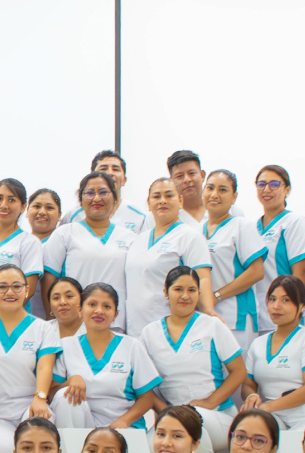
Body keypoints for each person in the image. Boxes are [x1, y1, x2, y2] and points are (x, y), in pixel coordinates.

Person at [138, 266, 244, 453]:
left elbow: (239, 372)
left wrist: (210, 402)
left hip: (217, 416)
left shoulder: (212, 325)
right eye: (178, 289)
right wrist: (166, 411)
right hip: (172, 420)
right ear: (166, 292)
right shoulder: (149, 333)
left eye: (192, 290)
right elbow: (144, 385)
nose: (185, 296)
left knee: (190, 421)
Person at [240, 276, 305, 453]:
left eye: (286, 300)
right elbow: (248, 383)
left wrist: (268, 408)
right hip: (273, 417)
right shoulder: (258, 344)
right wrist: (252, 395)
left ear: (302, 306)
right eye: (272, 299)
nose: (276, 306)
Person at [0, 262, 58, 453]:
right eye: (2, 287)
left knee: (35, 444)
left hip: (30, 407)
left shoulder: (43, 328)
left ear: (27, 290)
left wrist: (40, 397)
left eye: (17, 286)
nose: (10, 292)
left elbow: (45, 366)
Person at [48, 283, 162, 431]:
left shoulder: (132, 346)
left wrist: (124, 421)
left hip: (122, 426)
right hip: (81, 425)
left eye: (107, 307)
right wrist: (69, 382)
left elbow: (146, 399)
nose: (99, 311)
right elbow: (52, 395)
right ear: (80, 310)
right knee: (64, 396)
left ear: (115, 314)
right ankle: (73, 451)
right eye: (92, 304)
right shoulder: (65, 346)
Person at [42, 174, 137, 332]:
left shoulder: (130, 238)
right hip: (74, 326)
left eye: (103, 192)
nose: (97, 198)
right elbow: (49, 280)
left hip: (115, 325)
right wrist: (53, 319)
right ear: (80, 200)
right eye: (90, 193)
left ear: (114, 198)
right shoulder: (65, 233)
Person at [124, 179, 214, 330]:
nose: (162, 201)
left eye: (169, 195)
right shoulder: (139, 239)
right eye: (156, 196)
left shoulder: (190, 237)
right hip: (136, 329)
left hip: (171, 329)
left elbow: (202, 279)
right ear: (149, 203)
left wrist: (209, 313)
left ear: (180, 201)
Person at [200, 170, 265, 350]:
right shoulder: (196, 231)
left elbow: (256, 271)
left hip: (237, 318)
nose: (214, 195)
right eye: (210, 188)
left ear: (234, 197)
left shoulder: (242, 226)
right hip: (203, 317)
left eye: (222, 190)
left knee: (237, 375)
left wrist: (216, 296)